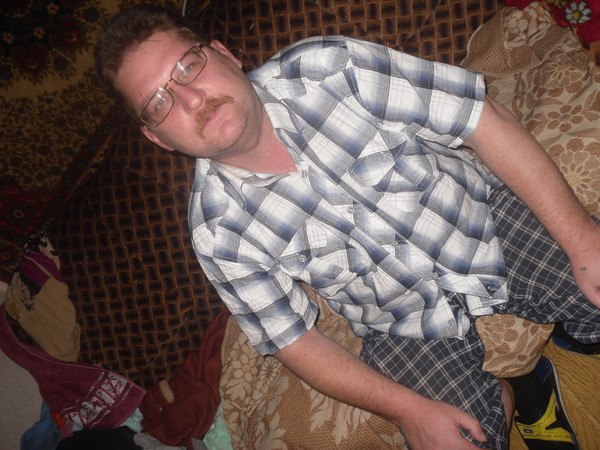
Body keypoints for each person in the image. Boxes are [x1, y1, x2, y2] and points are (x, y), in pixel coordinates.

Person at [94, 4, 600, 449]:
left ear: (224, 53)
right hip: (402, 324)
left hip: (480, 222)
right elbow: (295, 342)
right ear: (159, 139)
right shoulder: (217, 234)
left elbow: (481, 119)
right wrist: (409, 411)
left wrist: (581, 238)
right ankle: (523, 390)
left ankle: (575, 337)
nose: (190, 99)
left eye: (188, 65)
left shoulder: (329, 67)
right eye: (159, 102)